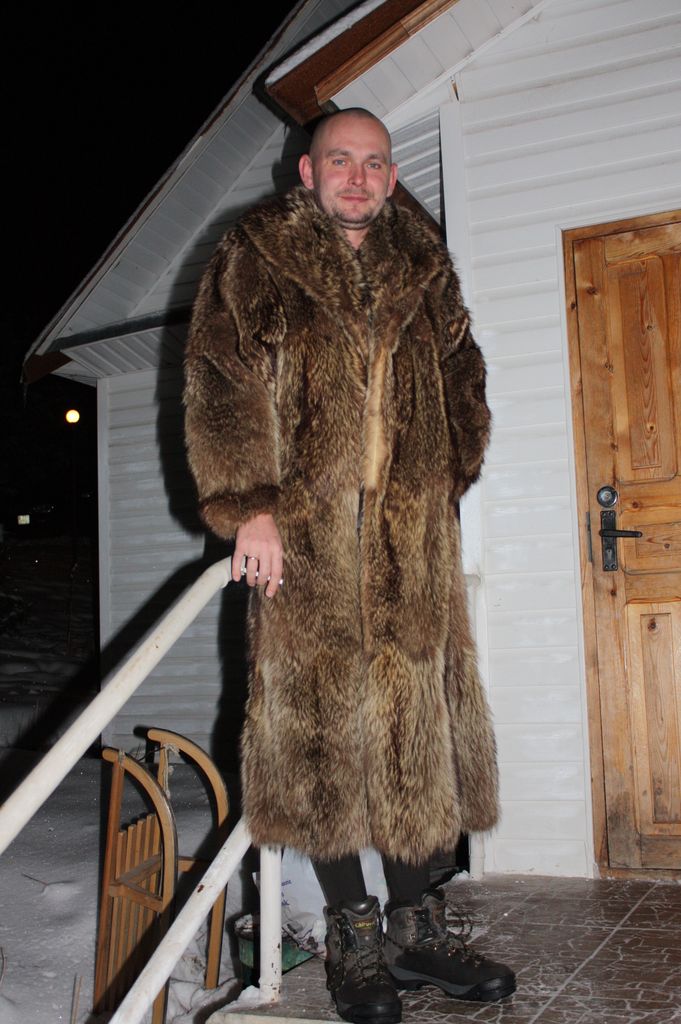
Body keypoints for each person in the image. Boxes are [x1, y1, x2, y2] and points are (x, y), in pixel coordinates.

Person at [184, 108, 515, 1023]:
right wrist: (250, 506)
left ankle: (415, 930)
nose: (358, 178)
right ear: (307, 172)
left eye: (374, 163)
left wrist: (448, 473)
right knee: (320, 729)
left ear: (391, 176)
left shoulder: (424, 262)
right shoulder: (255, 255)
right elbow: (220, 386)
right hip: (307, 542)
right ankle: (354, 935)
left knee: (413, 726)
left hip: (410, 542)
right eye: (341, 161)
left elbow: (464, 376)